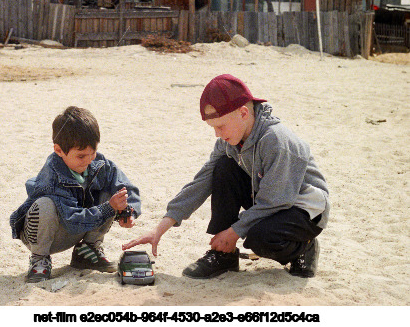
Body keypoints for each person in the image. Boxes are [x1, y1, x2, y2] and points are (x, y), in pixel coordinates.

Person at [124, 74, 329, 279]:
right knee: (222, 168)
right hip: (268, 198)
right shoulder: (229, 140)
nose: (217, 134)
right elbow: (202, 182)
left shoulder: (276, 140)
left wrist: (234, 232)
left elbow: (276, 201)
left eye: (220, 126)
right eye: (213, 128)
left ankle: (305, 246)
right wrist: (160, 229)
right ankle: (224, 255)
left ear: (243, 113)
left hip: (303, 210)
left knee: (259, 238)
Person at [10, 105, 140, 283]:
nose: (88, 160)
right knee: (45, 205)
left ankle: (88, 250)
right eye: (81, 156)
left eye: (92, 153)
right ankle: (39, 259)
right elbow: (72, 220)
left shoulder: (99, 164)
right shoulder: (51, 178)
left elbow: (125, 186)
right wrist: (109, 208)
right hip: (50, 234)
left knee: (112, 192)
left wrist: (127, 211)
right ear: (59, 150)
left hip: (80, 226)